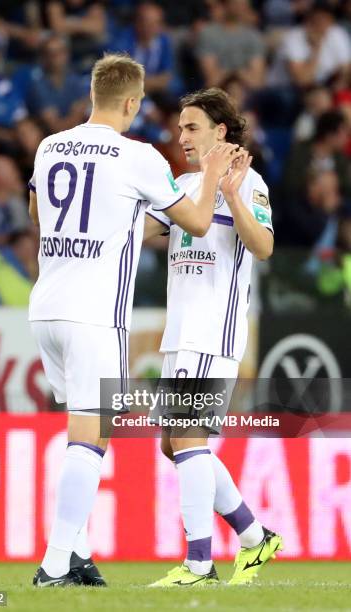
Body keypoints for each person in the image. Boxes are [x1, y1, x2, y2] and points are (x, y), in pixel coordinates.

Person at [28, 53, 241, 587]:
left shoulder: (50, 145)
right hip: (94, 313)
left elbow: (37, 214)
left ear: (92, 95)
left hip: (45, 306)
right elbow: (193, 220)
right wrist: (213, 173)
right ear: (131, 102)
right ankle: (55, 563)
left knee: (77, 427)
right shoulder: (139, 156)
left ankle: (77, 558)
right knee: (91, 437)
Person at [144, 88, 282, 586]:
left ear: (221, 132)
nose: (181, 136)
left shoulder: (250, 183)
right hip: (180, 333)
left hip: (212, 331)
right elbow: (141, 232)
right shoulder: (180, 184)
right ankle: (253, 536)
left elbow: (263, 247)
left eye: (192, 127)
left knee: (186, 437)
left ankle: (199, 563)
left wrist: (227, 195)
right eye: (180, 127)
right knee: (172, 442)